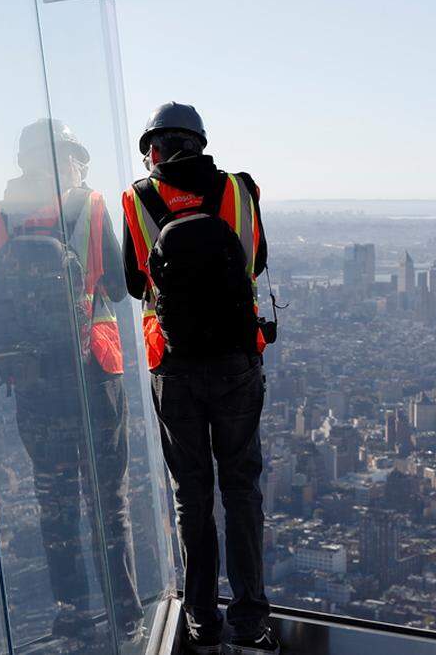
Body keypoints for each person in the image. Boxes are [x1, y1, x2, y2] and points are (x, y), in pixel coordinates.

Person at [121, 102, 278, 654]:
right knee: (241, 488)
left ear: (155, 149)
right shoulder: (239, 190)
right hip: (237, 360)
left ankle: (201, 622)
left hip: (176, 368)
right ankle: (252, 623)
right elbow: (254, 263)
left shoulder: (138, 199)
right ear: (200, 142)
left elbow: (137, 285)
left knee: (192, 495)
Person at [0, 119, 141, 646]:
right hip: (93, 372)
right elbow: (119, 288)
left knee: (55, 500)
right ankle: (125, 610)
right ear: (67, 158)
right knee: (107, 496)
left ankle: (70, 613)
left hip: (33, 383)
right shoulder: (90, 207)